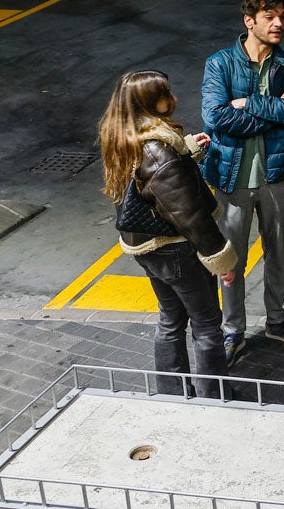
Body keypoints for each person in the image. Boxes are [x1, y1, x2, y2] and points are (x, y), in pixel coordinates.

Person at [98, 69, 238, 396]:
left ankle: (172, 394)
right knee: (206, 326)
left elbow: (149, 183)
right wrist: (221, 261)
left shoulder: (124, 135)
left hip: (147, 249)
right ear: (150, 103)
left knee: (171, 320)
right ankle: (215, 398)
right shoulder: (157, 150)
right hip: (176, 249)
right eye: (166, 94)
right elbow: (187, 214)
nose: (174, 99)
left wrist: (184, 152)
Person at [201, 0, 284, 366]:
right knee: (231, 259)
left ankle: (277, 322)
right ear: (250, 21)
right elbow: (217, 118)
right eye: (270, 17)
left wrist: (249, 103)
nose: (279, 23)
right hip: (233, 178)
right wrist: (275, 109)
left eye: (281, 15)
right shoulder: (220, 64)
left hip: (275, 174)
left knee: (278, 251)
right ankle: (233, 329)